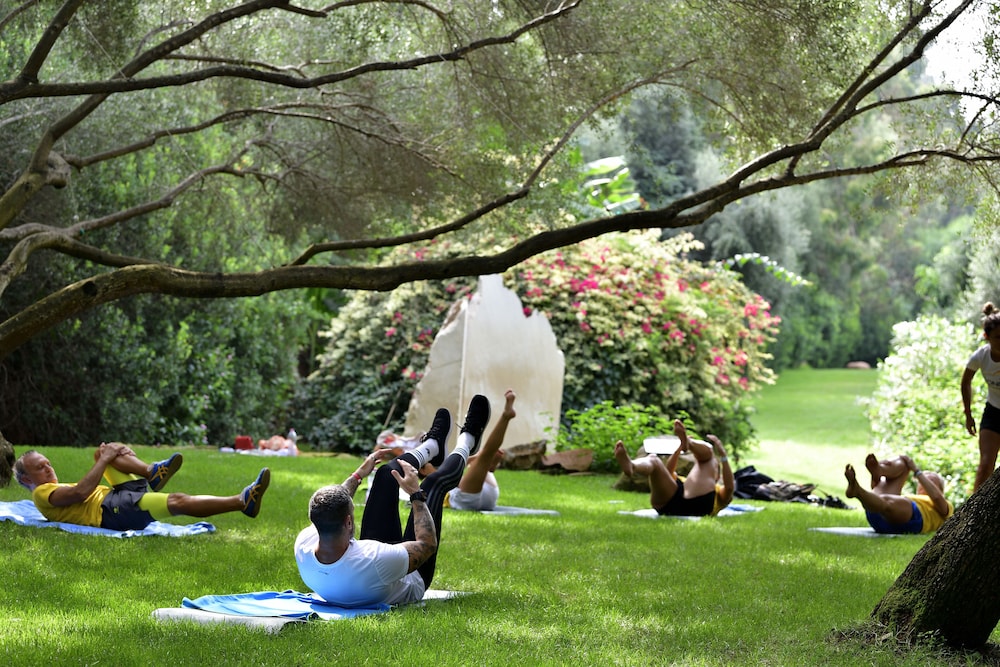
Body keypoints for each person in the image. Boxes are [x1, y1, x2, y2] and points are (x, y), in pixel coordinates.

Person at [295, 394, 491, 607]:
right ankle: (468, 441)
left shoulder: (305, 544)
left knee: (385, 474)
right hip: (413, 576)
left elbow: (336, 500)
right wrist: (416, 495)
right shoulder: (373, 560)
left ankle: (433, 446)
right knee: (432, 484)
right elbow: (427, 545)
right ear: (348, 522)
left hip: (375, 568)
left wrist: (358, 475)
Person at [13, 442, 270, 530]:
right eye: (40, 467)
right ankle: (242, 502)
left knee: (102, 451)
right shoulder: (41, 493)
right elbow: (81, 492)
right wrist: (106, 459)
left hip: (116, 497)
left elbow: (88, 483)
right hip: (113, 512)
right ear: (26, 479)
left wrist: (114, 453)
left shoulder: (50, 487)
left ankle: (152, 472)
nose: (49, 468)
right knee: (177, 501)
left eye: (48, 463)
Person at [614, 418, 734, 517]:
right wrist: (679, 449)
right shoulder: (685, 482)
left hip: (693, 506)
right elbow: (667, 472)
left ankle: (689, 443)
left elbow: (729, 488)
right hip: (669, 501)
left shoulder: (719, 494)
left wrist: (723, 456)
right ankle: (632, 465)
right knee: (654, 459)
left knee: (709, 456)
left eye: (716, 469)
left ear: (718, 476)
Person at [844, 453, 952, 534]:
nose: (925, 479)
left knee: (887, 501)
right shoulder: (911, 498)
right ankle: (880, 470)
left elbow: (936, 497)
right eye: (924, 478)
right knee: (903, 463)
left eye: (931, 480)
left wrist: (916, 471)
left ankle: (858, 491)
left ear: (940, 489)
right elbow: (877, 491)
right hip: (876, 514)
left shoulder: (947, 505)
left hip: (913, 520)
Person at [447, 389, 516, 511]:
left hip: (481, 490)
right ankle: (506, 416)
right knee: (486, 454)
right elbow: (450, 474)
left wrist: (476, 458)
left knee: (482, 456)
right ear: (424, 470)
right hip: (463, 498)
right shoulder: (429, 477)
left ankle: (485, 461)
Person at [961, 301, 1000, 491]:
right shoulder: (981, 356)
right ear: (987, 337)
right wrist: (968, 414)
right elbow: (965, 382)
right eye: (998, 337)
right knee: (985, 466)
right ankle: (973, 508)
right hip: (993, 412)